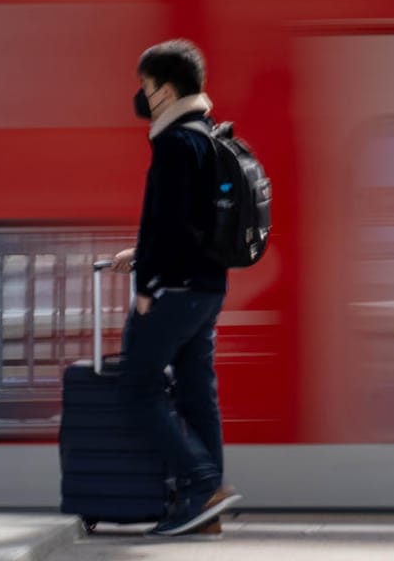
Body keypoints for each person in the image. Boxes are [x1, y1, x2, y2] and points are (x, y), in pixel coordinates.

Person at [112, 39, 243, 537]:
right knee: (195, 393)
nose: (141, 96)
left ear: (165, 90)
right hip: (208, 288)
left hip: (176, 290)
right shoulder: (205, 134)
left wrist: (148, 284)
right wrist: (142, 254)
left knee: (137, 387)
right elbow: (190, 223)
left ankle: (202, 481)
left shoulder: (172, 143)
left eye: (146, 86)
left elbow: (166, 222)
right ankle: (206, 509)